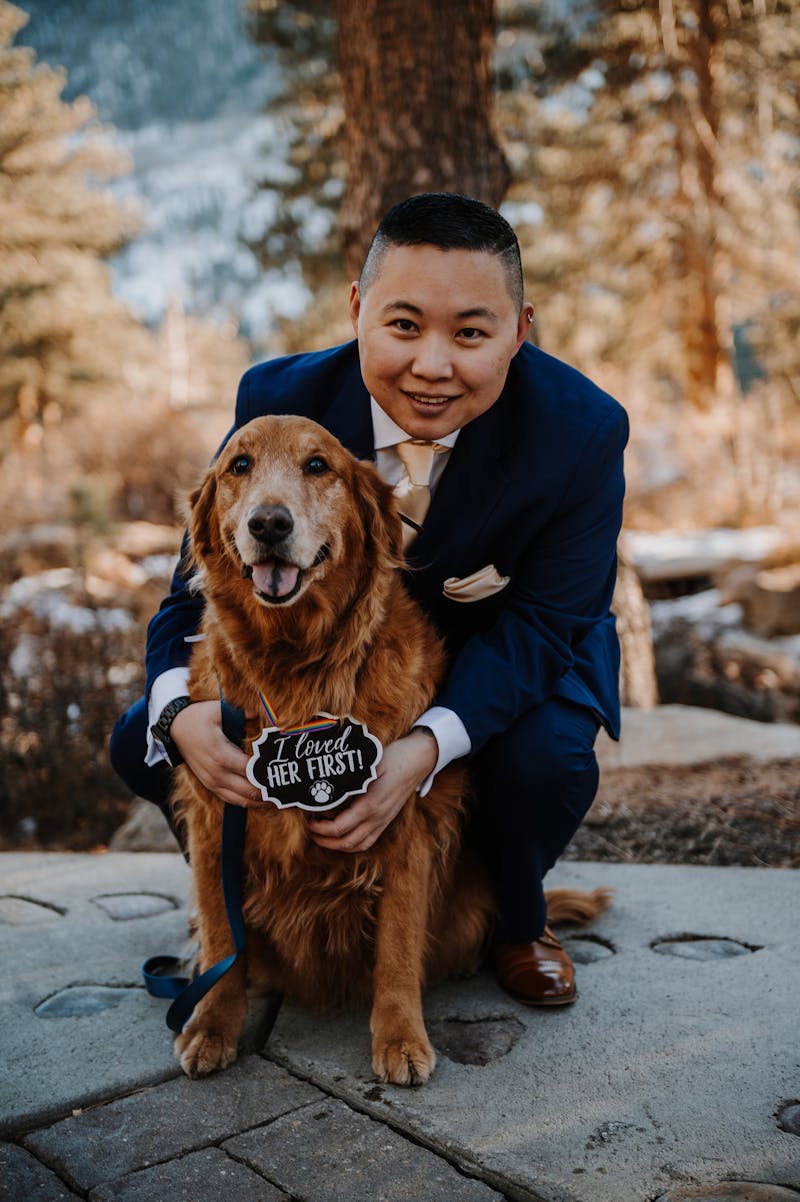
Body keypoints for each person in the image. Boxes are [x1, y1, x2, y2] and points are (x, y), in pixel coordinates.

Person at [110, 192, 628, 1007]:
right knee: (139, 736)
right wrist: (179, 712)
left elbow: (547, 624)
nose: (431, 364)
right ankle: (259, 918)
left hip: (508, 663)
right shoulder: (277, 397)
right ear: (357, 311)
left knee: (543, 764)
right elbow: (195, 584)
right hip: (330, 666)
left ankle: (517, 920)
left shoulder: (583, 433)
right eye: (403, 325)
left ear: (520, 330)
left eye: (470, 333)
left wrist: (419, 754)